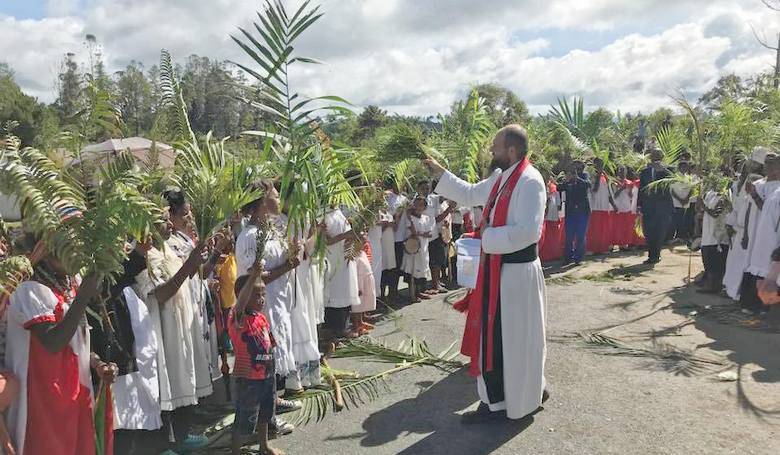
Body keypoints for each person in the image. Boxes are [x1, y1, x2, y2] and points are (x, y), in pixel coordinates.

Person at [425, 124, 548, 423]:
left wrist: (486, 238)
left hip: (516, 276)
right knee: (497, 339)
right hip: (497, 272)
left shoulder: (530, 181)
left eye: (495, 145)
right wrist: (440, 173)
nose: (491, 150)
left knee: (515, 341)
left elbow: (529, 232)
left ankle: (515, 400)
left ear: (512, 150)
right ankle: (496, 400)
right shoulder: (501, 178)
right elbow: (468, 194)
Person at [5, 239, 118, 455]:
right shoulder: (28, 288)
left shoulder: (70, 282)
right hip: (42, 398)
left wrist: (97, 364)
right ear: (47, 252)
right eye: (69, 249)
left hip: (74, 393)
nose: (76, 256)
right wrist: (83, 297)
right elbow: (53, 342)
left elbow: (77, 338)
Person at [132, 207, 211, 451]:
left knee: (184, 375)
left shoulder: (168, 249)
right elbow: (161, 294)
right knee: (167, 381)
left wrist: (204, 258)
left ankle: (184, 433)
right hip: (162, 327)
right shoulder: (144, 257)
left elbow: (189, 277)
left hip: (180, 324)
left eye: (168, 219)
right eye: (163, 221)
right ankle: (167, 441)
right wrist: (189, 266)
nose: (169, 225)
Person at [235, 182, 303, 407]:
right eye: (274, 196)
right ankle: (267, 408)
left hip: (280, 299)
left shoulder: (271, 229)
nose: (278, 200)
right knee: (265, 351)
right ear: (262, 202)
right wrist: (288, 266)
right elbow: (252, 278)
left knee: (277, 344)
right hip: (265, 303)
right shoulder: (250, 236)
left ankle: (274, 398)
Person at [229, 268, 283, 455]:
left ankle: (264, 445)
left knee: (264, 414)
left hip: (267, 376)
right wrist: (253, 276)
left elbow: (270, 344)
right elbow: (240, 304)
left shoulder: (261, 318)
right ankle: (236, 451)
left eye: (263, 294)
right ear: (242, 296)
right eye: (255, 295)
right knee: (244, 416)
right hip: (248, 378)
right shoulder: (238, 318)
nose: (261, 299)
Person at [723, 148, 768, 300]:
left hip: (750, 231)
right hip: (740, 228)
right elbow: (738, 205)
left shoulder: (758, 181)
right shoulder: (747, 179)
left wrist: (746, 234)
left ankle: (737, 293)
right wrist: (730, 223)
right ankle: (731, 290)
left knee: (743, 263)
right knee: (735, 261)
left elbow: (749, 208)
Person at [743, 154, 780, 313]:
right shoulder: (776, 190)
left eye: (774, 166)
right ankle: (759, 306)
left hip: (774, 241)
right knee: (761, 272)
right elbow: (764, 208)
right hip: (764, 238)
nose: (770, 169)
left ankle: (767, 308)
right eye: (768, 165)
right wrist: (754, 194)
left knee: (770, 274)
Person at [322, 204, 361, 338]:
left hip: (344, 258)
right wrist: (346, 235)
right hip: (333, 260)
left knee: (345, 291)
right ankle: (335, 328)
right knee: (335, 293)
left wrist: (352, 237)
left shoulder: (339, 211)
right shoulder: (323, 214)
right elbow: (326, 241)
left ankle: (343, 326)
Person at [638, 149, 674, 265]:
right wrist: (639, 205)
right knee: (648, 231)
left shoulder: (667, 171)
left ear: (662, 157)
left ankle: (655, 255)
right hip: (648, 206)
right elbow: (641, 189)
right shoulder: (645, 172)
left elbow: (672, 179)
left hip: (662, 207)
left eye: (658, 155)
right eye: (654, 155)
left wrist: (661, 169)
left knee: (659, 231)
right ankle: (651, 255)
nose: (655, 157)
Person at [401, 196, 434, 303]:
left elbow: (429, 234)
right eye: (417, 204)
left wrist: (423, 234)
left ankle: (419, 291)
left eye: (421, 205)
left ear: (424, 207)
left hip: (423, 248)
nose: (419, 207)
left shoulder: (426, 218)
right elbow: (413, 232)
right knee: (412, 270)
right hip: (412, 247)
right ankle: (412, 294)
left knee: (421, 269)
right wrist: (408, 215)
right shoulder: (409, 218)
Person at [558, 161, 591, 265]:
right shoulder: (568, 177)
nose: (575, 167)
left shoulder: (584, 176)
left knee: (581, 235)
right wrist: (567, 181)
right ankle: (568, 258)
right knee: (569, 236)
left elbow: (588, 185)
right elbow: (559, 188)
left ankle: (578, 258)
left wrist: (577, 178)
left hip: (582, 211)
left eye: (578, 166)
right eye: (574, 165)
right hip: (571, 212)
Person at [698, 190, 731, 293]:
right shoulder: (709, 193)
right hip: (707, 234)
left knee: (715, 262)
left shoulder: (724, 194)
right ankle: (710, 284)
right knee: (707, 260)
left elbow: (716, 213)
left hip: (718, 235)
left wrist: (703, 205)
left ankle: (715, 286)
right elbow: (699, 209)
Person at [586, 157, 617, 255]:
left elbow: (608, 192)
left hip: (604, 207)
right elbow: (594, 190)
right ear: (594, 164)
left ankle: (602, 248)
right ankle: (592, 248)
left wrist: (614, 204)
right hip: (595, 206)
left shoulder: (605, 176)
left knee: (603, 229)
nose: (600, 166)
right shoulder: (591, 175)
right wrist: (598, 175)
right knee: (594, 229)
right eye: (598, 164)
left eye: (601, 164)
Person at [385, 180, 408, 303]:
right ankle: (386, 294)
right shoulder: (388, 197)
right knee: (389, 267)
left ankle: (395, 292)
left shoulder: (404, 199)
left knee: (398, 267)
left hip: (401, 238)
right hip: (390, 238)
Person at [539, 176, 564, 262]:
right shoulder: (552, 187)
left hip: (549, 215)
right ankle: (553, 254)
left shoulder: (546, 186)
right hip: (552, 215)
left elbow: (556, 203)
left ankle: (547, 255)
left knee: (548, 236)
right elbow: (558, 204)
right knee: (553, 236)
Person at [669, 162, 695, 243]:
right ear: (679, 167)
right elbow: (672, 190)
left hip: (686, 202)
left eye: (686, 167)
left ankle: (681, 236)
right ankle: (672, 237)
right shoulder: (674, 177)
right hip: (676, 202)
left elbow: (692, 189)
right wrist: (680, 199)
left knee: (683, 221)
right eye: (683, 167)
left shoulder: (689, 177)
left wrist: (686, 198)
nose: (684, 168)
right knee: (675, 220)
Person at [612, 166, 634, 249]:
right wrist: (621, 188)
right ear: (618, 172)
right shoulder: (614, 182)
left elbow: (631, 196)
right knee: (616, 227)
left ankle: (624, 244)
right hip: (617, 208)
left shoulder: (629, 182)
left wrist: (630, 190)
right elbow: (614, 195)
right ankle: (613, 243)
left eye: (624, 171)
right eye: (620, 170)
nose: (622, 172)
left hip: (627, 207)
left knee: (625, 227)